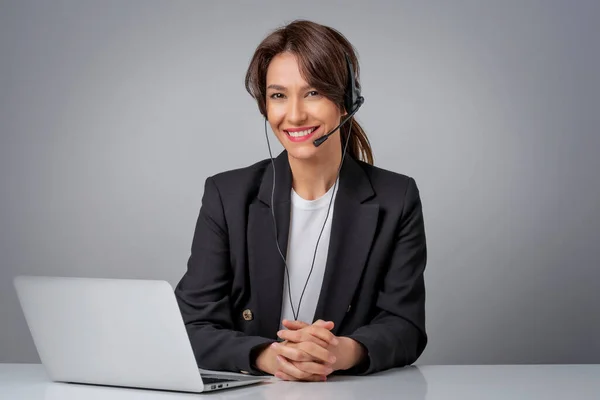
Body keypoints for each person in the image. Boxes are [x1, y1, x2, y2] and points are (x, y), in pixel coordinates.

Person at [174, 19, 427, 382]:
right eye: (278, 95)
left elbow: (404, 325)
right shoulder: (226, 195)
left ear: (346, 102)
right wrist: (268, 356)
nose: (293, 115)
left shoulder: (397, 198)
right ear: (265, 105)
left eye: (313, 93)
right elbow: (191, 322)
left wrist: (339, 352)